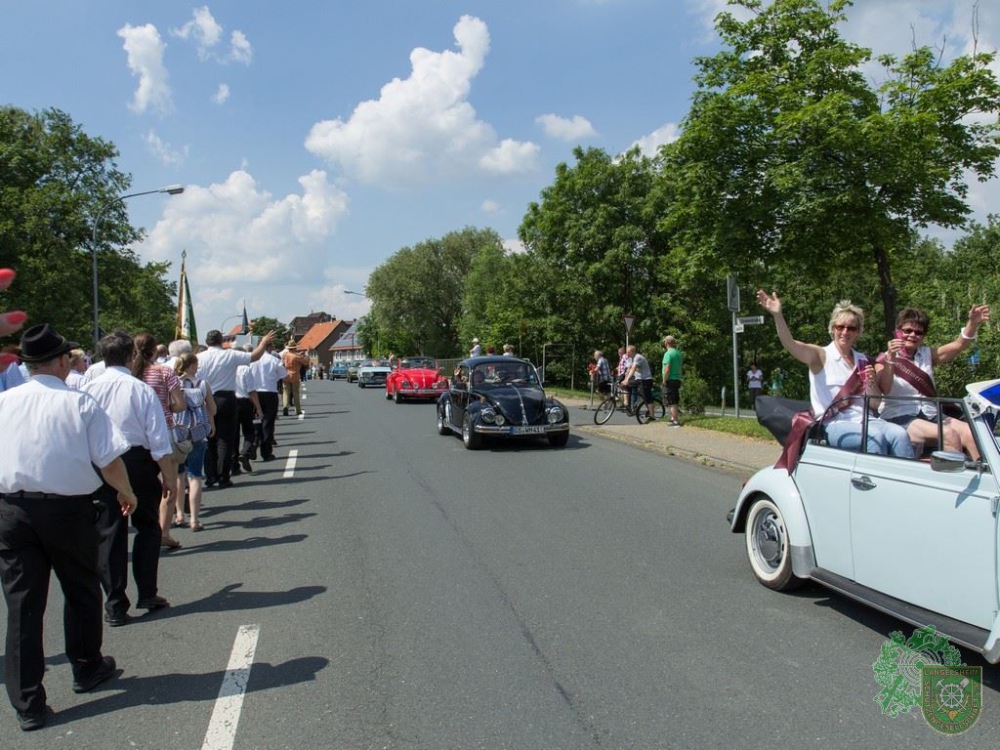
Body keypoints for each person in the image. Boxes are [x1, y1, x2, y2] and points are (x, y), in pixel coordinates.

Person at [0, 323, 136, 731]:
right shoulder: (80, 403)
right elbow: (109, 459)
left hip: (11, 510)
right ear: (61, 361)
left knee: (23, 606)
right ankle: (86, 666)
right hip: (67, 509)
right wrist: (127, 492)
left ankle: (28, 704)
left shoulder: (4, 402)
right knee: (79, 588)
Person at [84, 331, 177, 626]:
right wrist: (169, 476)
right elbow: (158, 439)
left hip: (100, 462)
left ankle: (114, 603)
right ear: (131, 356)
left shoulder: (88, 387)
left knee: (110, 531)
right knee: (148, 526)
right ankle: (147, 593)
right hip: (137, 459)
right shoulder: (139, 389)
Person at [757, 291, 913, 461]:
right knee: (875, 438)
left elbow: (875, 403)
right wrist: (778, 315)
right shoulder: (821, 355)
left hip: (866, 420)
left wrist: (870, 383)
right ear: (833, 329)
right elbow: (790, 344)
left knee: (901, 435)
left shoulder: (864, 360)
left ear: (858, 332)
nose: (845, 332)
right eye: (840, 327)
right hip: (834, 424)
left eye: (851, 328)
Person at [875, 304, 989, 459]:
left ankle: (985, 475)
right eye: (907, 330)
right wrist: (891, 360)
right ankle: (951, 480)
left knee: (972, 432)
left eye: (918, 332)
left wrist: (973, 323)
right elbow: (885, 390)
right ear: (898, 331)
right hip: (900, 416)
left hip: (931, 414)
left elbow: (959, 345)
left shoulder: (927, 355)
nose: (912, 335)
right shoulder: (883, 359)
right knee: (948, 434)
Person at [198, 329, 275, 488]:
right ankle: (223, 476)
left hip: (205, 397)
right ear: (221, 341)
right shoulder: (229, 354)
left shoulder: (199, 358)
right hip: (226, 398)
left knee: (209, 439)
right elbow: (254, 356)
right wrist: (263, 342)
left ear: (207, 342)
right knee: (225, 439)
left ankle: (210, 475)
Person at [132, 333, 186, 548]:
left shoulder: (132, 374)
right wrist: (165, 408)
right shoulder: (165, 371)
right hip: (163, 431)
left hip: (136, 436)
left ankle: (146, 527)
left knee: (144, 487)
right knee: (169, 486)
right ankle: (163, 531)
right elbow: (179, 404)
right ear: (155, 350)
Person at [173, 353, 216, 531]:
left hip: (178, 433)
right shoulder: (202, 384)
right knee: (195, 476)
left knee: (178, 475)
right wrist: (211, 424)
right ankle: (194, 519)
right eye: (196, 365)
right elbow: (212, 409)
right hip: (198, 433)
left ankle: (180, 514)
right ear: (191, 366)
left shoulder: (174, 383)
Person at [251, 339, 286, 461]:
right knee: (268, 423)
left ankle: (254, 442)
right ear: (269, 346)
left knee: (256, 421)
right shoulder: (274, 360)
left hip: (254, 394)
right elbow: (284, 376)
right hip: (270, 393)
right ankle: (266, 452)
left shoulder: (251, 360)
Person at [622, 345, 655, 417]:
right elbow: (629, 369)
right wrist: (625, 379)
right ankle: (627, 404)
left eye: (628, 352)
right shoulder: (631, 358)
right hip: (638, 379)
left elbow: (633, 369)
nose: (627, 354)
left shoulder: (638, 357)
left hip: (646, 379)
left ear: (633, 351)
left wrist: (627, 379)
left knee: (646, 397)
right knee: (626, 386)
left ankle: (652, 415)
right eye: (626, 352)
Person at [281, 341, 309, 417]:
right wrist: (304, 356)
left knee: (286, 393)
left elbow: (281, 363)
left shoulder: (285, 355)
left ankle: (285, 407)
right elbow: (306, 363)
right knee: (295, 393)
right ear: (295, 348)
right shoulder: (296, 356)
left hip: (286, 375)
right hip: (295, 376)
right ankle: (298, 410)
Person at [662, 335, 683, 426]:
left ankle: (675, 420)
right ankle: (672, 417)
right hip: (677, 378)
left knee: (672, 400)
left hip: (670, 379)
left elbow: (667, 368)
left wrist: (664, 379)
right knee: (673, 398)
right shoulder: (678, 353)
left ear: (666, 343)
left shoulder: (668, 354)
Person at [616, 346, 634, 412]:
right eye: (618, 352)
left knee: (624, 388)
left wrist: (626, 377)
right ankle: (625, 404)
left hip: (623, 375)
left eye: (620, 352)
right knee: (624, 389)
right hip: (622, 374)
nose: (618, 353)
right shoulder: (622, 357)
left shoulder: (625, 356)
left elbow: (628, 366)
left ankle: (626, 404)